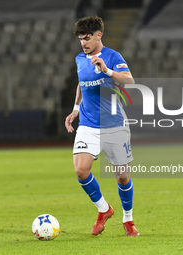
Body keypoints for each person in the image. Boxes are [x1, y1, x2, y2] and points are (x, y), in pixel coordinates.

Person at [65, 16, 139, 236]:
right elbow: (82, 82)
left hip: (114, 124)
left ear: (99, 35)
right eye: (80, 39)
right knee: (80, 169)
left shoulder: (112, 56)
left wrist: (106, 70)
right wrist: (75, 109)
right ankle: (104, 209)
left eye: (87, 38)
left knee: (122, 176)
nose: (83, 43)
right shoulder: (80, 58)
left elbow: (129, 80)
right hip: (88, 124)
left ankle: (128, 220)